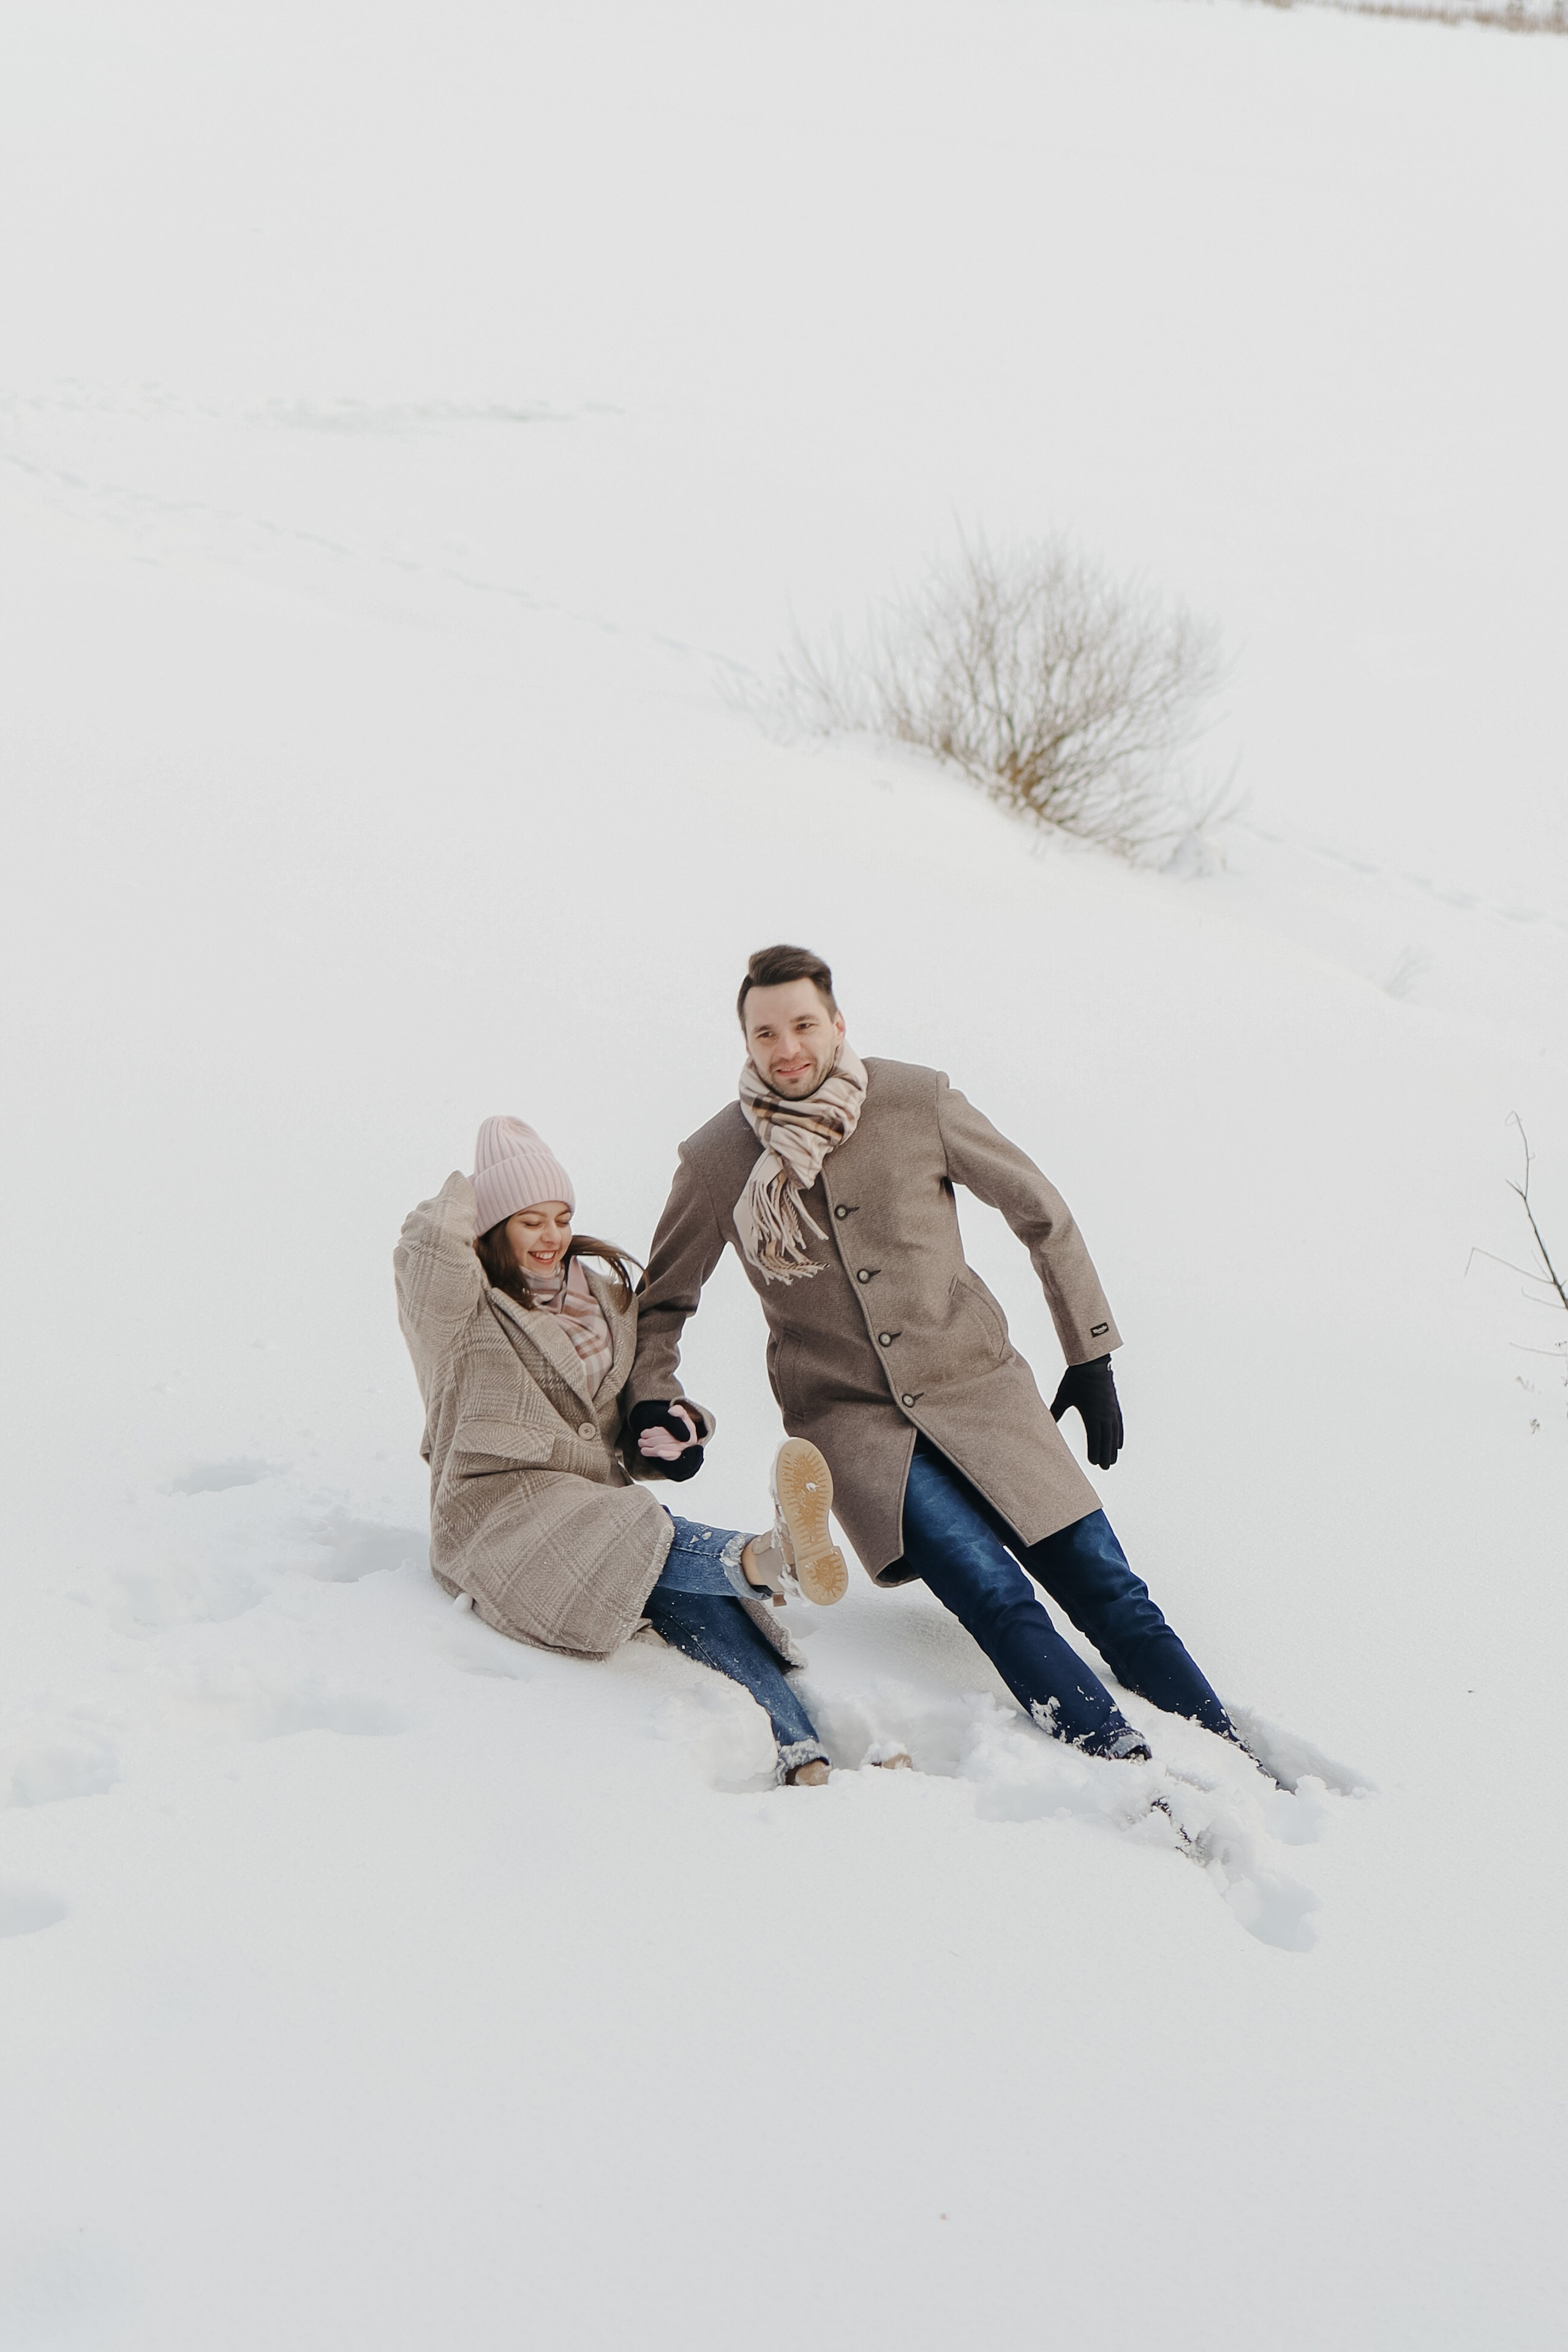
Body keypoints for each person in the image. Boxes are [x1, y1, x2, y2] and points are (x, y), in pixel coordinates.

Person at [625, 943, 1242, 1766]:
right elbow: (662, 1301)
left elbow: (1042, 1212)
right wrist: (653, 1402)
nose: (787, 1048)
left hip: (982, 1390)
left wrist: (1090, 1355)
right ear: (746, 1043)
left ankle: (1230, 1752)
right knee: (995, 1597)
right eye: (765, 1033)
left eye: (804, 1024)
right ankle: (1121, 1758)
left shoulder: (918, 1100)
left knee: (1113, 1594)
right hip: (857, 1430)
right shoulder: (716, 1162)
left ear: (837, 1023)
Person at [394, 1113, 862, 1787]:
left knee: (707, 1607)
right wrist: (484, 1185)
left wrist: (670, 1434)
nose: (552, 1235)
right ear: (491, 1225)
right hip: (498, 1512)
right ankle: (767, 1556)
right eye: (530, 1220)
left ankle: (801, 1749)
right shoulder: (461, 1304)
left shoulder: (607, 1298)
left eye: (561, 1216)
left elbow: (616, 1425)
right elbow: (423, 1248)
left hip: (593, 1501)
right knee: (641, 1532)